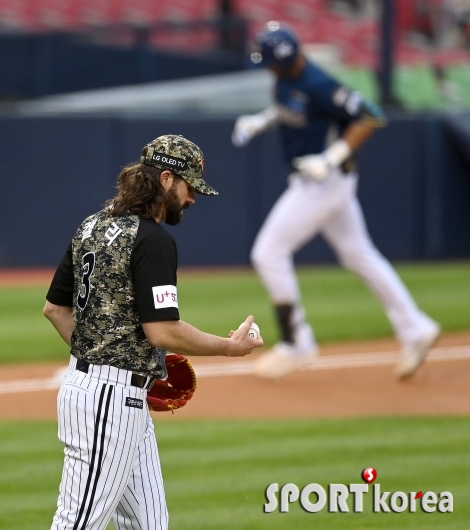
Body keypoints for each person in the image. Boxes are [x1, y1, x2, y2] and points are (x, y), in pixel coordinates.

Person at [43, 134, 263, 530]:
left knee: (149, 524)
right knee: (76, 524)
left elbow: (55, 310)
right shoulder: (153, 239)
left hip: (112, 397)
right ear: (166, 179)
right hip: (109, 404)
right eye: (189, 186)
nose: (193, 197)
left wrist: (109, 360)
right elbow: (162, 330)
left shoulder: (91, 226)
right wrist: (229, 347)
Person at [231, 21, 440, 380]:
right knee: (359, 254)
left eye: (270, 61)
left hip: (324, 182)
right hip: (317, 180)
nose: (266, 67)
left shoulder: (319, 83)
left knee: (268, 253)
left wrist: (330, 158)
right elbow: (291, 110)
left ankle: (297, 343)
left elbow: (371, 115)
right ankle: (415, 328)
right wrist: (261, 121)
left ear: (285, 59)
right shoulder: (287, 79)